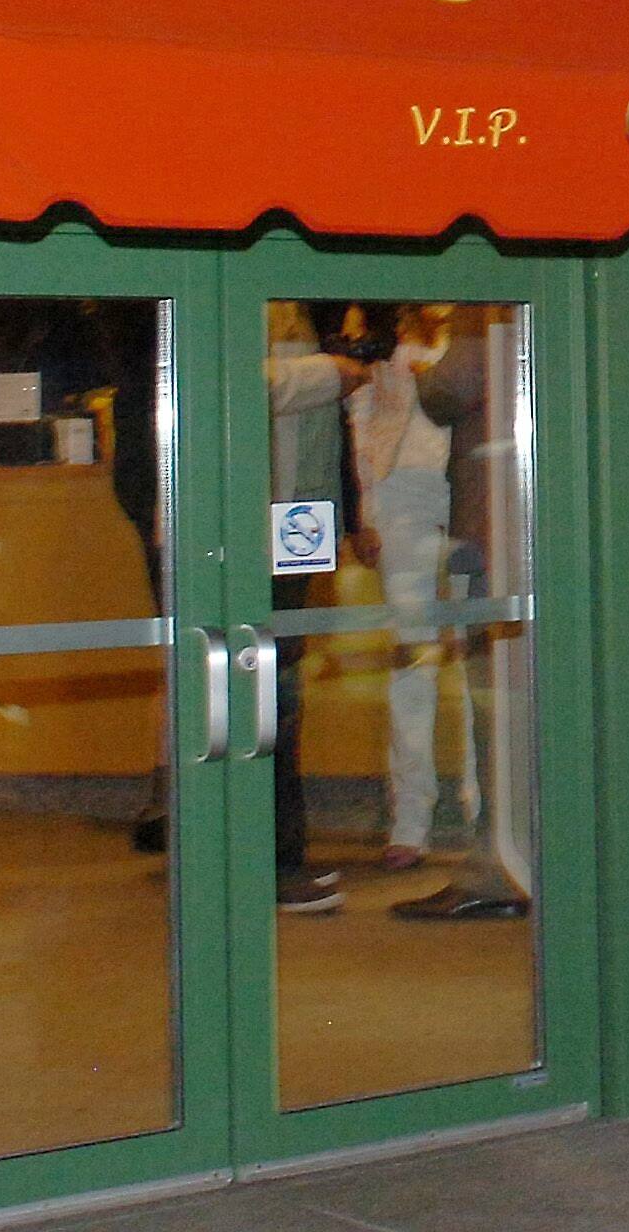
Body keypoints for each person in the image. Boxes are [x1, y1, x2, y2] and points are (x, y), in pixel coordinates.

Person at [395, 303, 535, 920]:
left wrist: (422, 369)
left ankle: (498, 866)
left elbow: (448, 390)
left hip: (496, 529)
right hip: (526, 531)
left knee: (495, 705)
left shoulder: (489, 303)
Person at [346, 304, 459, 871]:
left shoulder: (479, 320)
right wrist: (365, 510)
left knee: (488, 655)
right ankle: (411, 817)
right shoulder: (379, 328)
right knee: (414, 662)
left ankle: (482, 808)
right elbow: (361, 418)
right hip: (402, 500)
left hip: (471, 493)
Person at [266, 300, 367, 913]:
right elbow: (238, 385)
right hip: (258, 518)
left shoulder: (295, 310)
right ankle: (270, 860)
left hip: (298, 518)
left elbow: (327, 440)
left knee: (284, 688)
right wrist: (329, 373)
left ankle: (283, 853)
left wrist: (346, 520)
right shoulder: (246, 300)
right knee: (266, 691)